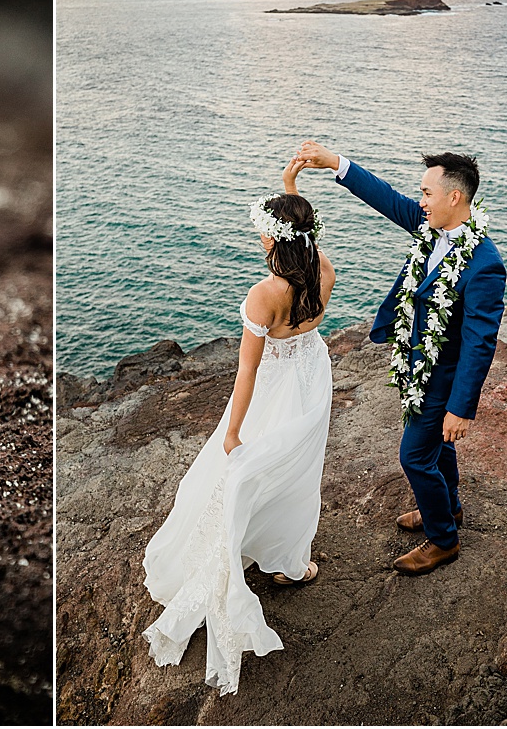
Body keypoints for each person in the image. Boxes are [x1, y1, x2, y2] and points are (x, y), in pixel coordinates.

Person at [142, 157, 336, 696]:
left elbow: (248, 369)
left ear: (276, 242)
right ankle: (289, 561)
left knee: (240, 470)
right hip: (312, 377)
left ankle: (243, 550)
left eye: (262, 235)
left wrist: (233, 429)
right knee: (297, 468)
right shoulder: (323, 268)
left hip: (274, 385)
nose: (258, 241)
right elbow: (306, 234)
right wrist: (292, 190)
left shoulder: (264, 294)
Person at [295, 140, 506, 575]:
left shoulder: (484, 265)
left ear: (454, 197)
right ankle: (448, 510)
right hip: (415, 365)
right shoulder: (431, 226)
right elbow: (385, 197)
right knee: (435, 449)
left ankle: (444, 540)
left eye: (427, 193)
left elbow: (480, 342)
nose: (420, 200)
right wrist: (334, 162)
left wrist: (460, 408)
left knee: (413, 456)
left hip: (443, 377)